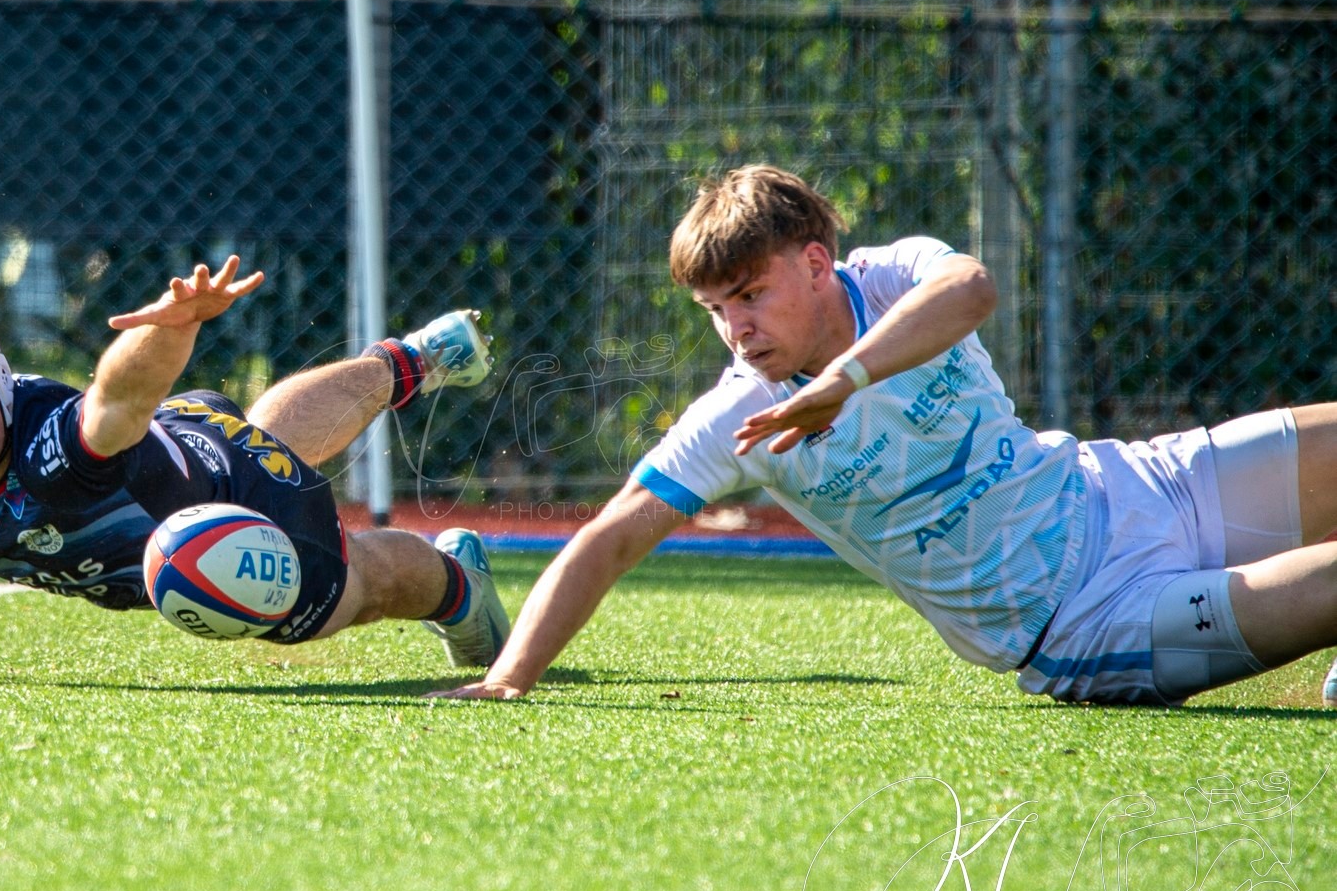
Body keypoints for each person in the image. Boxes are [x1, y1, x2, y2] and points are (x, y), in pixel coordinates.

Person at [436, 164, 1337, 706]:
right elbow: (609, 537)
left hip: (1137, 486)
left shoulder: (898, 270)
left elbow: (973, 290)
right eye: (716, 309)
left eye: (749, 295)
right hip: (1083, 624)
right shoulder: (735, 420)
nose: (735, 328)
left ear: (817, 262)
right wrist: (510, 677)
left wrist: (841, 382)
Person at [0, 257, 510, 665]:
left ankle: (460, 586)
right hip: (188, 443)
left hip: (232, 505)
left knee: (344, 597)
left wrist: (174, 329)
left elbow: (117, 400)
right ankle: (411, 359)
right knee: (270, 432)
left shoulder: (51, 444)